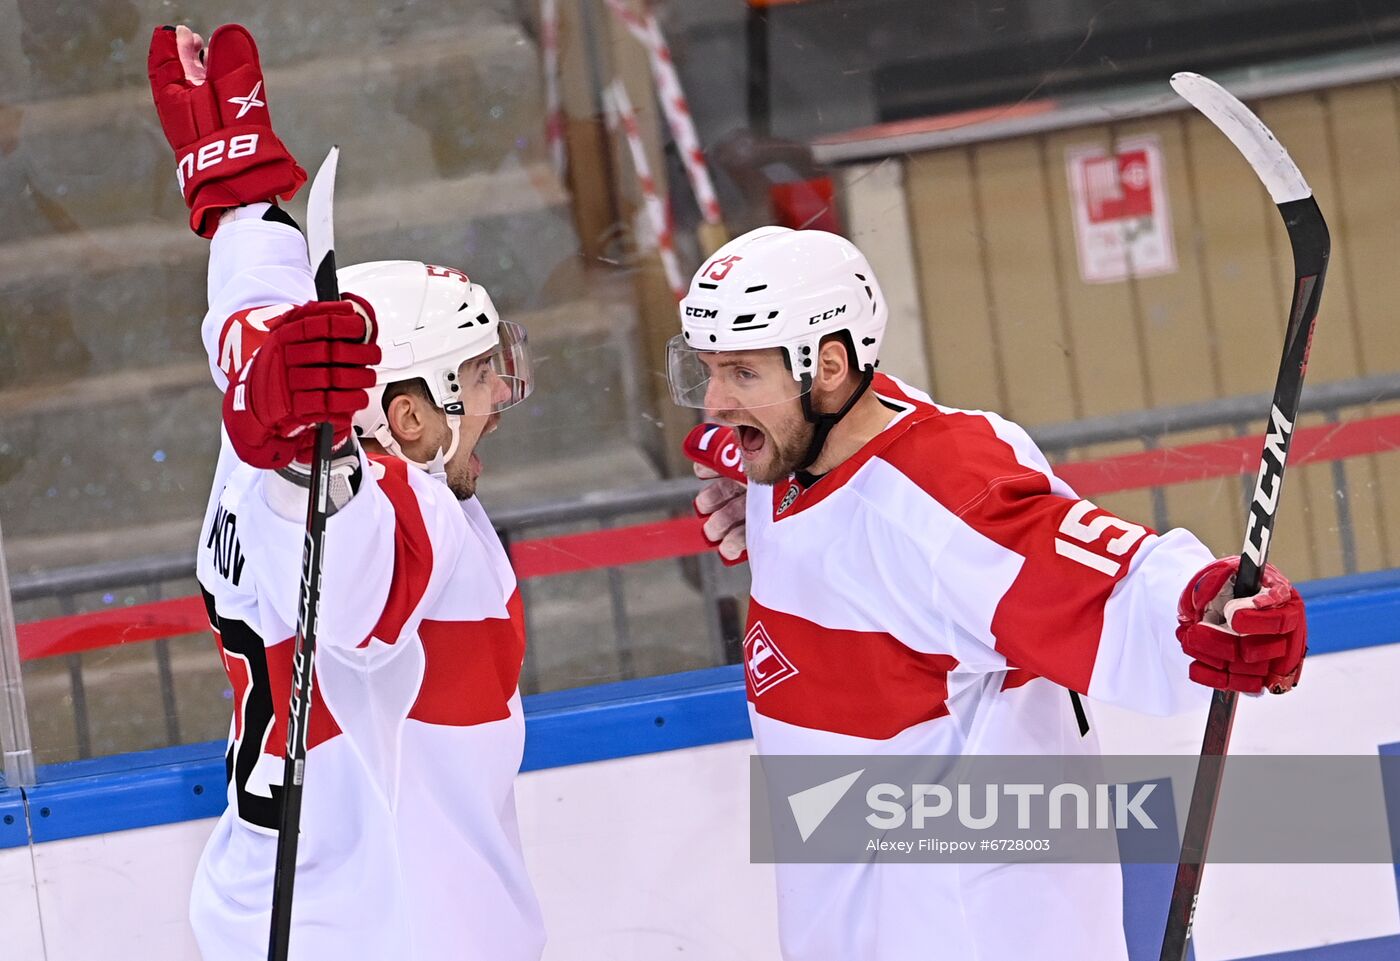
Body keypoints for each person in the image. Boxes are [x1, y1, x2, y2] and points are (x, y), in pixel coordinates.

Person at [669, 226, 1307, 960]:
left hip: (973, 924)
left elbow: (1097, 573)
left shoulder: (942, 500)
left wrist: (1213, 604)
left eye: (741, 374)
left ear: (830, 367)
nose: (714, 403)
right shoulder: (796, 448)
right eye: (707, 371)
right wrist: (740, 478)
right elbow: (765, 466)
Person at [148, 24, 544, 960]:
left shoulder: (254, 440)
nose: (502, 396)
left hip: (281, 906)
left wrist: (241, 205)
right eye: (481, 374)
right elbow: (355, 598)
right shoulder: (393, 506)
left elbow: (254, 326)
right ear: (405, 414)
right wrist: (316, 467)